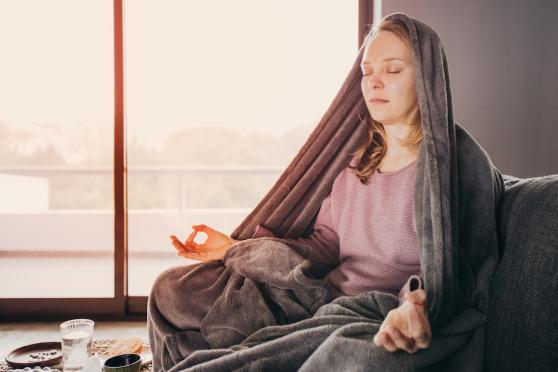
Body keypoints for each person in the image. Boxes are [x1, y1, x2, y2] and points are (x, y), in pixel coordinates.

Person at [167, 17, 431, 356]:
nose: (374, 82)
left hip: (378, 316)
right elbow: (325, 245)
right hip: (320, 298)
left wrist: (414, 305)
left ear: (426, 78)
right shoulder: (357, 166)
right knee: (170, 290)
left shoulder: (442, 172)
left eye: (393, 70)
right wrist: (236, 248)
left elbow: (448, 265)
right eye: (366, 72)